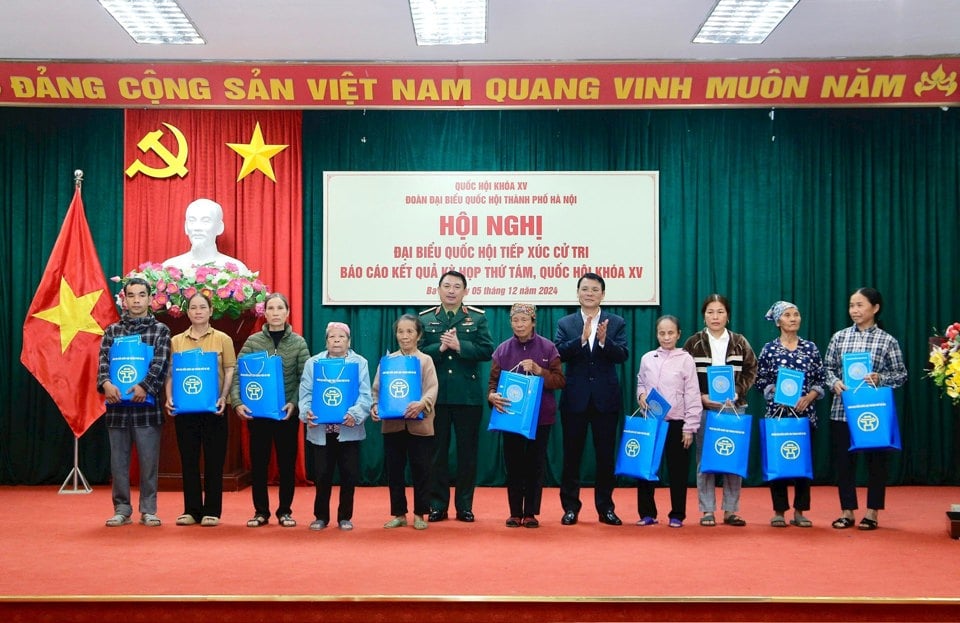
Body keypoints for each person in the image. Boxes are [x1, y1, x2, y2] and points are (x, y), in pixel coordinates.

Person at [823, 287, 907, 531]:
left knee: (876, 463)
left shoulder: (888, 340)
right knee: (844, 463)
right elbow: (827, 369)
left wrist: (880, 378)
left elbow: (901, 375)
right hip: (842, 410)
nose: (854, 310)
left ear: (875, 308)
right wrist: (834, 382)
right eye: (851, 305)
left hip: (874, 412)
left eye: (860, 305)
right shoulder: (839, 337)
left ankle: (872, 512)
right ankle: (847, 511)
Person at [555, 272, 630, 526]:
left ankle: (606, 508)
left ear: (603, 294)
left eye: (595, 289)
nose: (589, 293)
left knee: (605, 456)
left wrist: (603, 341)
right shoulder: (566, 323)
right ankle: (570, 508)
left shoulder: (616, 321)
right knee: (572, 456)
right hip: (574, 399)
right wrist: (582, 340)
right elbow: (558, 355)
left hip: (605, 400)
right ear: (577, 293)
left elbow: (622, 356)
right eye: (585, 289)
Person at [97, 277, 171, 527]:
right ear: (124, 300)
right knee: (118, 463)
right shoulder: (112, 331)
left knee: (149, 462)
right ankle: (122, 508)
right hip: (117, 408)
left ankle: (148, 509)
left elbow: (160, 364)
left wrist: (144, 386)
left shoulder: (160, 330)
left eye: (142, 295)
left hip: (147, 409)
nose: (137, 300)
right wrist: (106, 384)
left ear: (151, 299)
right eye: (131, 295)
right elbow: (103, 363)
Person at [230, 292, 309, 528]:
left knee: (286, 465)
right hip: (258, 414)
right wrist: (237, 402)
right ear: (265, 313)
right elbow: (237, 375)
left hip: (286, 414)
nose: (275, 313)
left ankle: (285, 511)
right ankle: (260, 511)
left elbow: (305, 379)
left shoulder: (298, 342)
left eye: (280, 309)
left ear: (287, 313)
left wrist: (294, 403)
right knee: (259, 463)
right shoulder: (253, 342)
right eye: (271, 309)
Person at [421, 270, 494, 523]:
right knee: (437, 453)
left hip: (467, 396)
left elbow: (487, 350)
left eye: (457, 287)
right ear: (438, 290)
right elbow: (417, 352)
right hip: (436, 396)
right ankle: (437, 505)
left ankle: (464, 506)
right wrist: (440, 348)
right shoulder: (427, 318)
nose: (451, 291)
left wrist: (460, 346)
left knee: (467, 453)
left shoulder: (477, 317)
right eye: (447, 286)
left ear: (465, 291)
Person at [487, 303, 566, 528]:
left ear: (533, 322)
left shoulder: (548, 348)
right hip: (510, 418)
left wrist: (540, 371)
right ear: (510, 322)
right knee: (513, 465)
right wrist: (492, 396)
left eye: (524, 320)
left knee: (534, 465)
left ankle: (530, 513)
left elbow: (560, 381)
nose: (519, 324)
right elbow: (492, 383)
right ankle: (514, 512)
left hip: (540, 418)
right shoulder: (502, 350)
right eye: (515, 320)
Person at [683, 293, 757, 527]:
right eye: (710, 312)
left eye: (720, 312)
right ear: (703, 316)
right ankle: (707, 510)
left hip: (733, 409)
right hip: (704, 409)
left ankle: (731, 510)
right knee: (704, 459)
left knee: (732, 459)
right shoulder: (693, 342)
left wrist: (738, 391)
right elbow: (685, 376)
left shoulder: (739, 341)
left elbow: (751, 368)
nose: (715, 317)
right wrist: (700, 398)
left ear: (728, 315)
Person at [165, 292, 237, 527]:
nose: (198, 311)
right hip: (185, 410)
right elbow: (170, 373)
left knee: (215, 461)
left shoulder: (223, 339)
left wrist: (223, 397)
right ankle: (191, 510)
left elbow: (229, 370)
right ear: (187, 312)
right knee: (189, 460)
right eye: (193, 308)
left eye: (202, 307)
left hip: (215, 409)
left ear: (210, 311)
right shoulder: (176, 341)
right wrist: (169, 398)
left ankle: (212, 511)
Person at [754, 301, 825, 528]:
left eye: (796, 314)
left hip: (805, 415)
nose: (793, 318)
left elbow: (820, 379)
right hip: (778, 415)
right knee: (779, 463)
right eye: (787, 315)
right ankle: (779, 511)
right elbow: (760, 380)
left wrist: (810, 396)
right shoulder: (769, 349)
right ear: (778, 321)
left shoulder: (810, 348)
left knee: (802, 464)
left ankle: (800, 511)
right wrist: (776, 392)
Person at [298, 322, 372, 531]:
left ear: (349, 341)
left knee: (349, 475)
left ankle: (345, 517)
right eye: (332, 337)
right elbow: (305, 394)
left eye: (341, 337)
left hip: (349, 429)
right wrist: (307, 413)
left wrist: (355, 414)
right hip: (321, 431)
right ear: (326, 341)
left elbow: (365, 394)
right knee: (322, 475)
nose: (337, 340)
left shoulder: (360, 363)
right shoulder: (314, 363)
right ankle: (321, 516)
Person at [371, 314, 439, 530]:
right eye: (401, 331)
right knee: (395, 471)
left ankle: (420, 513)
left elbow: (432, 388)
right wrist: (374, 407)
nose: (405, 336)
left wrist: (422, 403)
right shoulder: (388, 362)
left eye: (410, 331)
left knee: (422, 469)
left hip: (420, 425)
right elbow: (377, 390)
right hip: (393, 426)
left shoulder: (425, 360)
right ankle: (399, 513)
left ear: (418, 335)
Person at [634, 315, 702, 528]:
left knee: (678, 470)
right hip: (652, 423)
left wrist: (690, 426)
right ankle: (647, 513)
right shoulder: (647, 358)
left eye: (670, 333)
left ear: (679, 334)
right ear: (657, 334)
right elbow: (641, 382)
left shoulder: (686, 359)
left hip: (677, 423)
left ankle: (677, 514)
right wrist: (641, 396)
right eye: (662, 333)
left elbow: (692, 393)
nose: (666, 337)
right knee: (646, 470)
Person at [163, 198, 250, 272]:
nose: (197, 228)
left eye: (205, 221)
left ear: (220, 227)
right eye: (192, 220)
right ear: (186, 227)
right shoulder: (170, 267)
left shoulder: (237, 270)